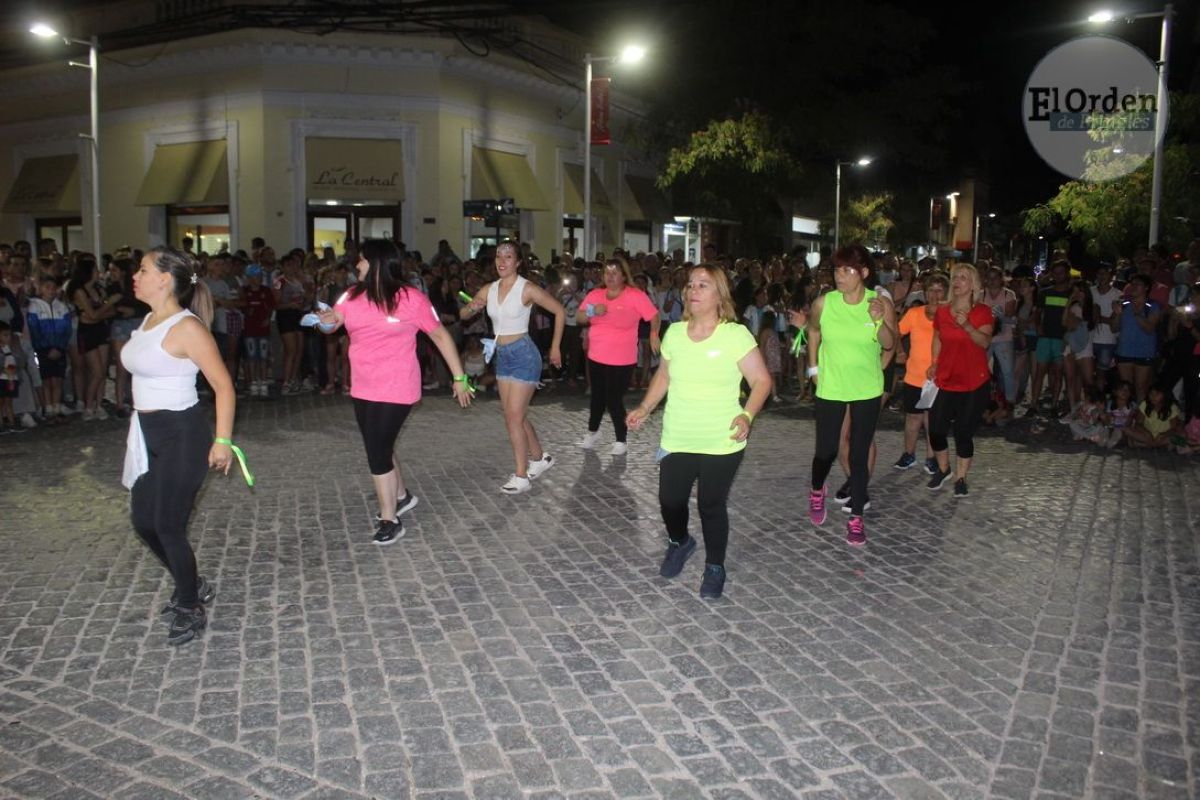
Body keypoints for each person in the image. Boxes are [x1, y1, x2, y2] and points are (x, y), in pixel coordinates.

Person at [626, 264, 771, 599]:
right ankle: (681, 541)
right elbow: (664, 375)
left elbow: (762, 381)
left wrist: (747, 415)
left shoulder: (735, 335)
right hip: (679, 433)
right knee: (669, 500)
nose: (692, 291)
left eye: (702, 285)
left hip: (722, 437)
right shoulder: (675, 332)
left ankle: (715, 565)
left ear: (719, 294)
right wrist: (645, 408)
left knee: (710, 503)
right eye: (690, 284)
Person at [317, 240, 473, 542]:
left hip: (397, 386)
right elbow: (333, 325)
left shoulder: (410, 298)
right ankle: (401, 496)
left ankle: (390, 519)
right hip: (363, 385)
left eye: (361, 260)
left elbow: (439, 335)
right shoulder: (351, 295)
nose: (357, 265)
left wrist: (459, 377)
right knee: (381, 445)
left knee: (376, 451)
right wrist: (325, 322)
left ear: (376, 263)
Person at [121, 246, 236, 646]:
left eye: (143, 269)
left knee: (168, 524)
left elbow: (223, 386)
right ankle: (192, 582)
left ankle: (189, 605)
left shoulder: (188, 328)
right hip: (147, 432)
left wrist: (222, 440)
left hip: (183, 434)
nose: (135, 275)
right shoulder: (150, 319)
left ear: (165, 279)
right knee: (143, 522)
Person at [804, 244, 897, 546]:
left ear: (864, 273)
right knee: (827, 451)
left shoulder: (879, 303)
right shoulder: (824, 303)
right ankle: (817, 489)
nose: (839, 276)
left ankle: (857, 517)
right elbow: (813, 332)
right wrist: (813, 369)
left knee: (859, 453)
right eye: (836, 270)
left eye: (847, 270)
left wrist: (879, 319)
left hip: (866, 388)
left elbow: (889, 344)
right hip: (831, 385)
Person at [460, 241, 563, 493]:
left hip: (525, 355)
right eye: (498, 256)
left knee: (513, 418)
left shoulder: (526, 288)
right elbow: (463, 314)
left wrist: (555, 347)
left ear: (518, 262)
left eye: (508, 256)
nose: (502, 261)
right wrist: (472, 307)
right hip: (502, 355)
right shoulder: (489, 289)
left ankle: (521, 476)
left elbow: (559, 311)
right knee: (515, 415)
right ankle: (540, 459)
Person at [576, 256, 660, 455]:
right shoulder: (596, 294)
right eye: (607, 273)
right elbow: (579, 316)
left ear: (624, 275)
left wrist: (654, 334)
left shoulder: (635, 295)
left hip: (622, 358)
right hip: (596, 355)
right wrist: (592, 310)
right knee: (597, 396)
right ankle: (593, 431)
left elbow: (654, 316)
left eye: (615, 273)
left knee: (613, 398)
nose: (610, 276)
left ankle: (621, 439)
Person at [927, 263, 994, 497]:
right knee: (935, 430)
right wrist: (934, 361)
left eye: (963, 278)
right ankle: (944, 469)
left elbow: (984, 342)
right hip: (946, 379)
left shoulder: (982, 312)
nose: (957, 282)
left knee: (963, 432)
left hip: (974, 383)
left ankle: (961, 477)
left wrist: (966, 325)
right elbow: (937, 336)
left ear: (973, 285)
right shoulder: (943, 311)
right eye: (955, 277)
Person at [895, 272, 947, 473]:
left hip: (938, 378)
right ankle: (909, 454)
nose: (935, 294)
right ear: (925, 293)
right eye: (931, 290)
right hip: (914, 376)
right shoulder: (914, 314)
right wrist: (900, 351)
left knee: (932, 419)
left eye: (939, 290)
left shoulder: (950, 315)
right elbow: (897, 332)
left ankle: (932, 457)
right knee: (913, 418)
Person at [67, 255, 119, 419]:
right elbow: (93, 314)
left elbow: (99, 314)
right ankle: (88, 405)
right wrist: (108, 305)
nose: (99, 272)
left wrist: (102, 311)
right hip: (87, 331)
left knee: (102, 370)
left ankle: (98, 404)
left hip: (100, 329)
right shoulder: (79, 291)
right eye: (95, 269)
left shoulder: (98, 289)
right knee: (95, 371)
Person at [26, 276, 73, 421]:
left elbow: (67, 329)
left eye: (54, 287)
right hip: (43, 349)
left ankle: (57, 406)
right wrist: (45, 347)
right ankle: (48, 408)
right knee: (46, 379)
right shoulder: (35, 306)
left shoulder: (62, 307)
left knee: (58, 378)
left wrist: (60, 347)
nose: (51, 291)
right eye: (47, 287)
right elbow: (34, 329)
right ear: (41, 289)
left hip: (59, 348)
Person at [1115, 274, 1162, 402]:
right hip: (1124, 350)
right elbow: (1114, 328)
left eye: (1138, 284)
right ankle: (1125, 416)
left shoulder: (1152, 306)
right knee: (1125, 387)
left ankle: (1140, 418)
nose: (1134, 287)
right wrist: (1117, 314)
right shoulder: (1124, 304)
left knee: (1141, 388)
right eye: (1132, 284)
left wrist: (1137, 313)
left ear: (1146, 287)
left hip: (1144, 351)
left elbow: (1149, 328)